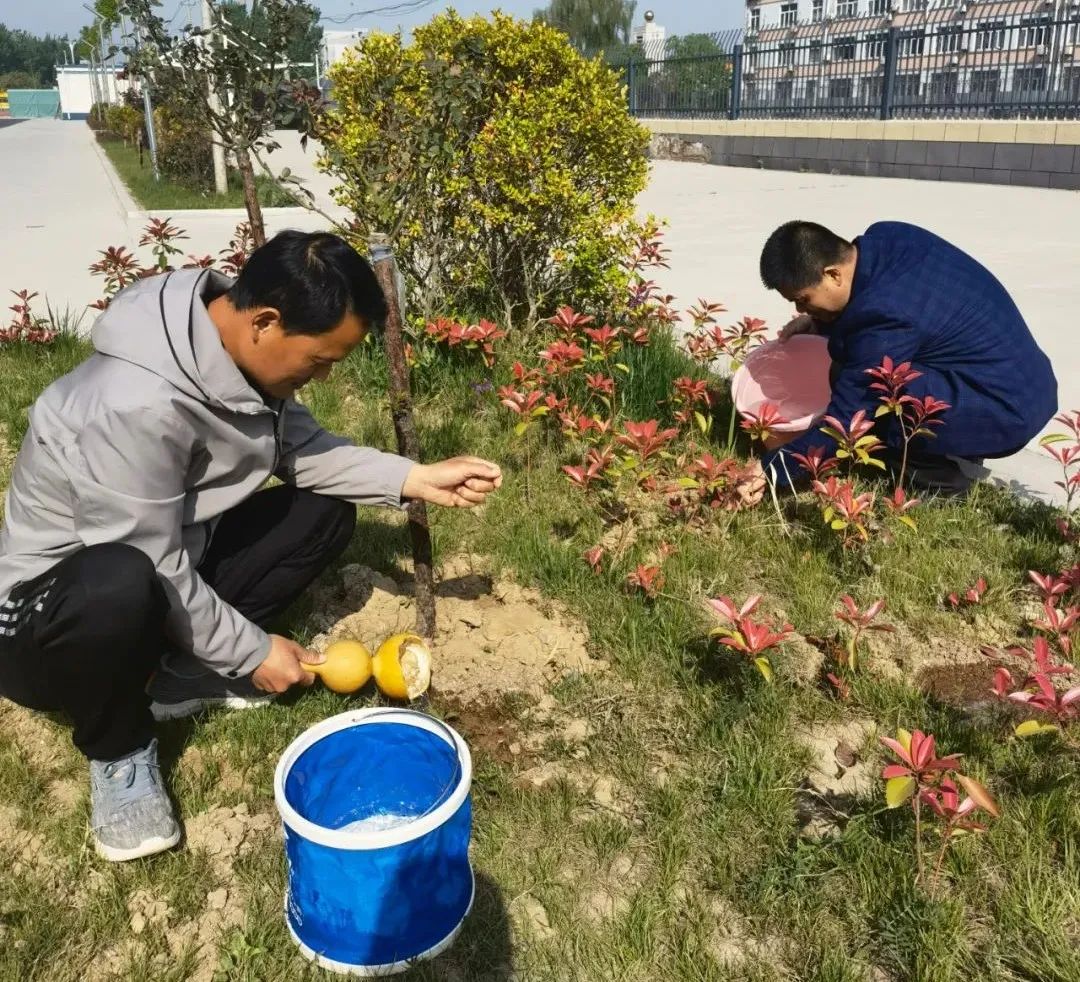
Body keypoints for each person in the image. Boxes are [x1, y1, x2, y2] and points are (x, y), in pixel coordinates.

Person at [0, 231, 502, 862]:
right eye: (319, 361)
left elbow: (304, 452)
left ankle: (178, 674)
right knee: (116, 584)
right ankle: (119, 749)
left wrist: (412, 480)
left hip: (157, 567)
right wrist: (251, 649)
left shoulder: (236, 355)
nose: (319, 379)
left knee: (320, 514)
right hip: (53, 620)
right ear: (265, 321)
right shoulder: (131, 403)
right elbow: (148, 561)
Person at [757, 220, 1057, 493]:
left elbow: (846, 423)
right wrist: (818, 320)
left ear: (833, 274)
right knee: (854, 364)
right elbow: (892, 311)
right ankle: (954, 441)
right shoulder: (885, 237)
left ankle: (941, 483)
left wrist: (768, 469)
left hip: (1008, 410)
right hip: (1023, 379)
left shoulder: (882, 315)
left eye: (803, 300)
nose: (799, 309)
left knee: (875, 393)